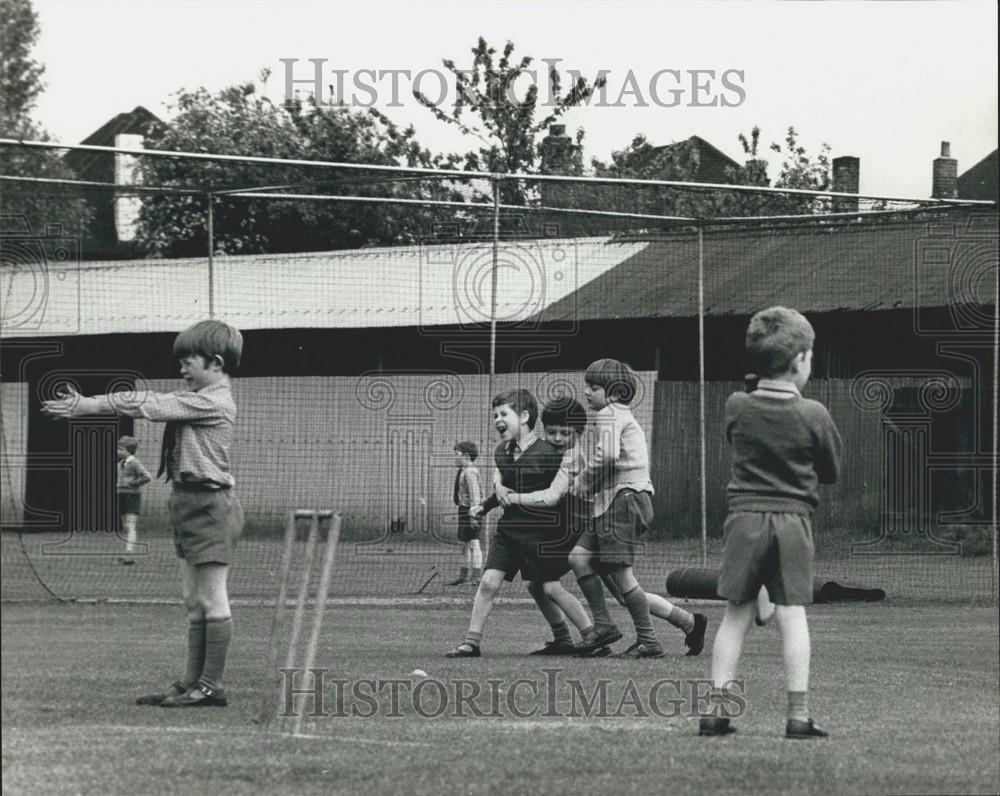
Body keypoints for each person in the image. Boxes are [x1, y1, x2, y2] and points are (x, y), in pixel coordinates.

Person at [43, 319, 245, 708]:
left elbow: (151, 403)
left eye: (189, 361)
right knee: (192, 598)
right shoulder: (198, 396)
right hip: (187, 500)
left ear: (216, 363)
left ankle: (211, 685)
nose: (181, 369)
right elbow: (157, 401)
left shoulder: (212, 400)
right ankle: (192, 680)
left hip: (210, 504)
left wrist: (90, 405)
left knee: (212, 598)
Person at [700, 307, 842, 739]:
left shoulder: (737, 405)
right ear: (800, 359)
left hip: (744, 519)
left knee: (734, 616)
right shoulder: (813, 413)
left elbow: (738, 428)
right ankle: (797, 716)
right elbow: (831, 469)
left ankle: (716, 711)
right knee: (792, 616)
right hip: (793, 521)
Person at [569, 359, 707, 659]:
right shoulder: (615, 415)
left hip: (625, 502)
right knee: (579, 557)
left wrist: (582, 481)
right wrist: (590, 487)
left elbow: (606, 457)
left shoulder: (609, 413)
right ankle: (681, 622)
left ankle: (648, 641)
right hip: (614, 502)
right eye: (587, 387)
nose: (588, 393)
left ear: (615, 393)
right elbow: (613, 462)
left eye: (594, 387)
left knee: (622, 579)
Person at [447, 388, 591, 657]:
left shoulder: (550, 452)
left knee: (546, 587)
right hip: (509, 531)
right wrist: (485, 504)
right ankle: (471, 642)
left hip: (541, 533)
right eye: (495, 415)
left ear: (524, 416)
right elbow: (503, 486)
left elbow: (556, 494)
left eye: (504, 414)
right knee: (489, 582)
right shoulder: (501, 451)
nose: (497, 419)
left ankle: (589, 636)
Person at [503, 397, 604, 656]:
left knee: (548, 585)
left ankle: (592, 638)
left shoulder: (572, 458)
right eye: (551, 432)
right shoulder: (553, 453)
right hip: (560, 528)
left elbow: (550, 497)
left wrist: (511, 497)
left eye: (565, 433)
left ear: (579, 433)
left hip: (576, 528)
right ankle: (564, 639)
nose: (557, 438)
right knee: (536, 584)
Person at [446, 440, 483, 586]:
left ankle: (476, 577)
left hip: (471, 511)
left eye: (457, 454)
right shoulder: (463, 471)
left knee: (474, 543)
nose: (455, 457)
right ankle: (463, 575)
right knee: (465, 544)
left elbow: (475, 495)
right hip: (463, 510)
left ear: (466, 456)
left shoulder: (470, 473)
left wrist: (474, 515)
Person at [116, 435, 151, 565]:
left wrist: (133, 483)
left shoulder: (135, 463)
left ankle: (129, 554)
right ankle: (128, 550)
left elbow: (147, 477)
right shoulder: (121, 463)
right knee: (126, 525)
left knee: (131, 525)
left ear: (129, 450)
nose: (117, 451)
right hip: (122, 495)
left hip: (132, 496)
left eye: (120, 449)